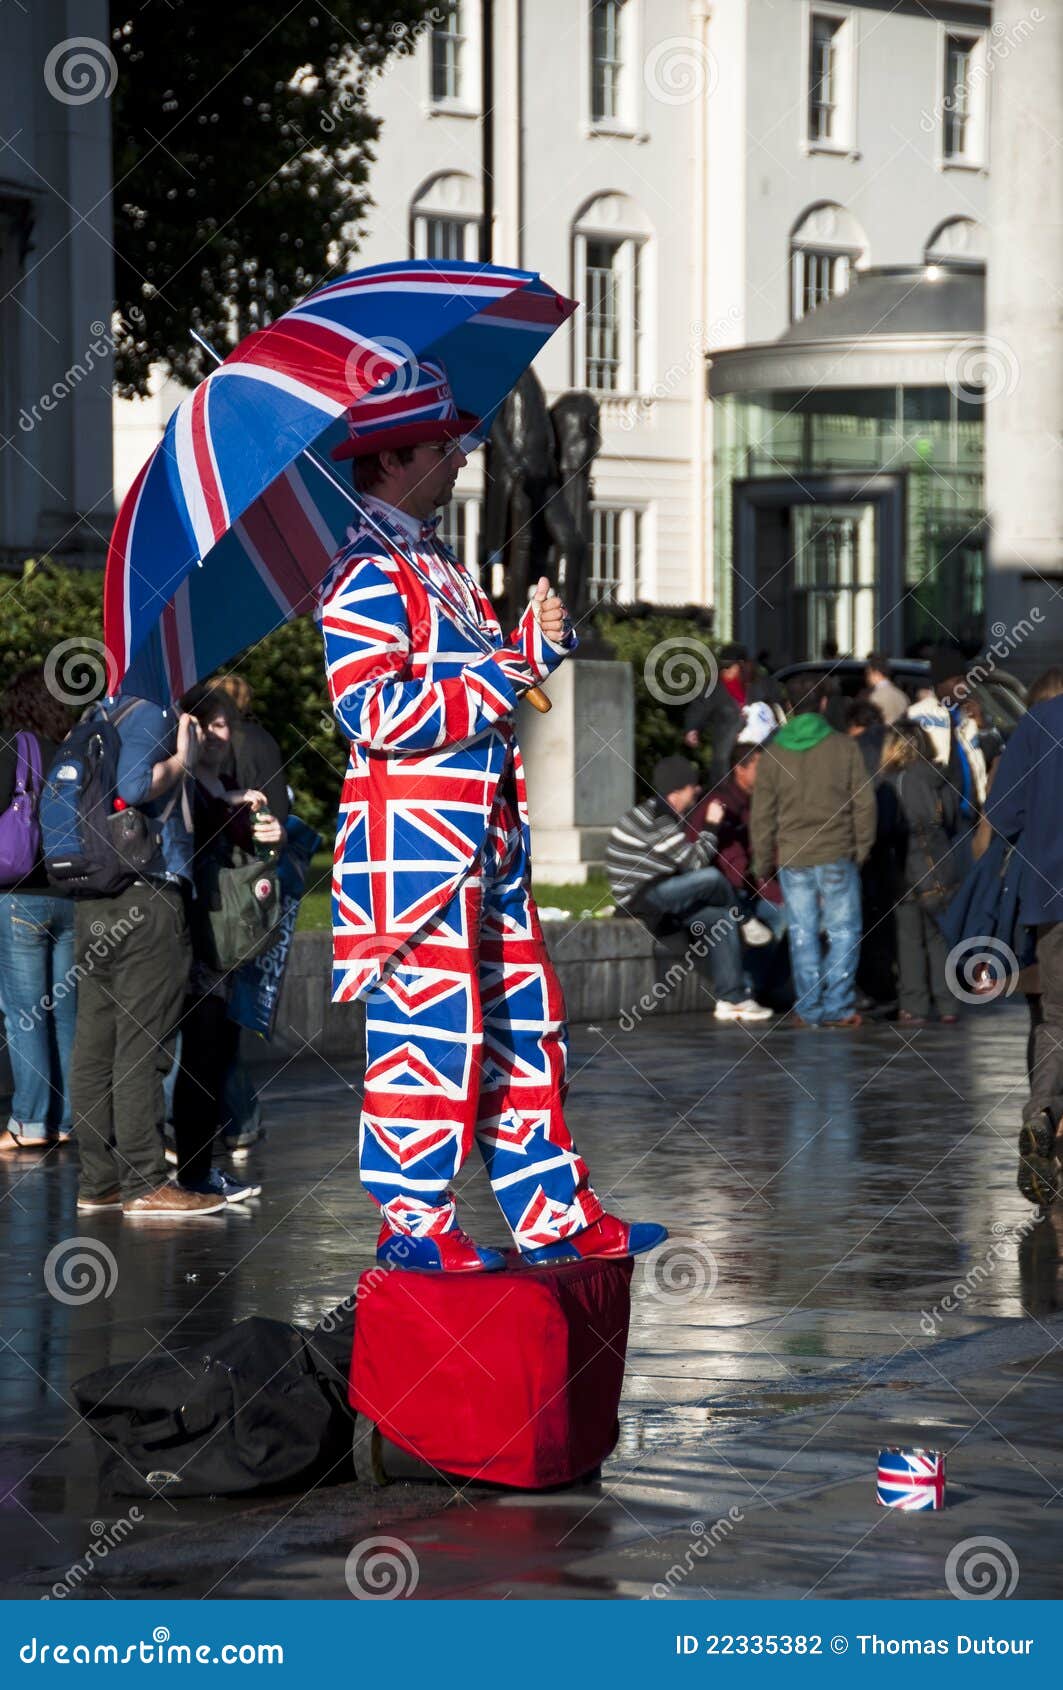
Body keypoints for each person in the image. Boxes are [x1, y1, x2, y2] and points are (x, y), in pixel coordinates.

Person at [317, 356, 666, 1272]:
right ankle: (414, 1224)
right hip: (419, 855)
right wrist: (513, 664)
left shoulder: (433, 564)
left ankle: (553, 1215)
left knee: (520, 1027)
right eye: (445, 445)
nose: (466, 459)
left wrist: (524, 644)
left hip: (484, 842)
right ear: (393, 460)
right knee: (429, 1035)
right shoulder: (364, 569)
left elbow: (469, 685)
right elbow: (373, 710)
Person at [71, 696, 225, 1217]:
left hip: (94, 901)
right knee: (142, 1045)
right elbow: (135, 786)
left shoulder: (94, 717)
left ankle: (100, 1181)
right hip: (147, 896)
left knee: (94, 1045)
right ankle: (145, 1181)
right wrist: (182, 759)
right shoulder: (153, 712)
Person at [169, 685, 286, 1205]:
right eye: (208, 725)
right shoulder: (187, 783)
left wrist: (270, 835)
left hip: (226, 943)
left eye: (224, 725)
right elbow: (191, 834)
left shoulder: (229, 783)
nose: (219, 735)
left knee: (216, 1053)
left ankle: (202, 1166)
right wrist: (227, 803)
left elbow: (249, 844)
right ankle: (187, 1171)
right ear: (189, 727)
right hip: (191, 936)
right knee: (195, 1055)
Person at [608, 754, 772, 1024]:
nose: (697, 790)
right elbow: (696, 863)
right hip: (641, 897)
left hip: (656, 890)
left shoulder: (662, 812)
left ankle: (731, 998)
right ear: (678, 789)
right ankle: (746, 919)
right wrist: (711, 825)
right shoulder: (658, 818)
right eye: (692, 786)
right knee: (711, 878)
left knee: (721, 918)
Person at [750, 677, 876, 1028]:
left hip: (793, 856)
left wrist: (762, 860)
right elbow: (864, 804)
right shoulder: (844, 748)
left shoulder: (774, 754)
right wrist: (861, 849)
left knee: (802, 932)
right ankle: (838, 1005)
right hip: (837, 850)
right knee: (843, 931)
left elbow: (762, 813)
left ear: (788, 708)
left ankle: (809, 1008)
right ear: (822, 704)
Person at [982, 673, 1063, 1182]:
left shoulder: (1038, 722)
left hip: (1050, 895)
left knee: (1056, 1016)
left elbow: (1002, 813)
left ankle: (1041, 1113)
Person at [0, 670, 75, 1150]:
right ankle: (71, 1118)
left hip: (20, 897)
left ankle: (29, 1120)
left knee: (24, 1015)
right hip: (72, 896)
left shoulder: (13, 746)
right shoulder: (74, 750)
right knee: (67, 1015)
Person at [688, 741, 790, 1002]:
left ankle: (765, 988)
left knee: (787, 914)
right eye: (760, 767)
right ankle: (747, 989)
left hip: (757, 890)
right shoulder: (718, 803)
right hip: (728, 894)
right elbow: (695, 850)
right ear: (739, 769)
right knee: (772, 920)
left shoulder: (762, 803)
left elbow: (770, 852)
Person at [877, 722, 962, 1025]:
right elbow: (952, 821)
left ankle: (915, 1005)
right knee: (939, 937)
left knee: (910, 938)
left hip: (908, 870)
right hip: (943, 867)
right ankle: (948, 1003)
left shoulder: (892, 782)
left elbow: (888, 829)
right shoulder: (940, 777)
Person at [865, 653, 909, 725]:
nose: (867, 678)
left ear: (876, 673)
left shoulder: (876, 697)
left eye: (868, 673)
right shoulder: (902, 695)